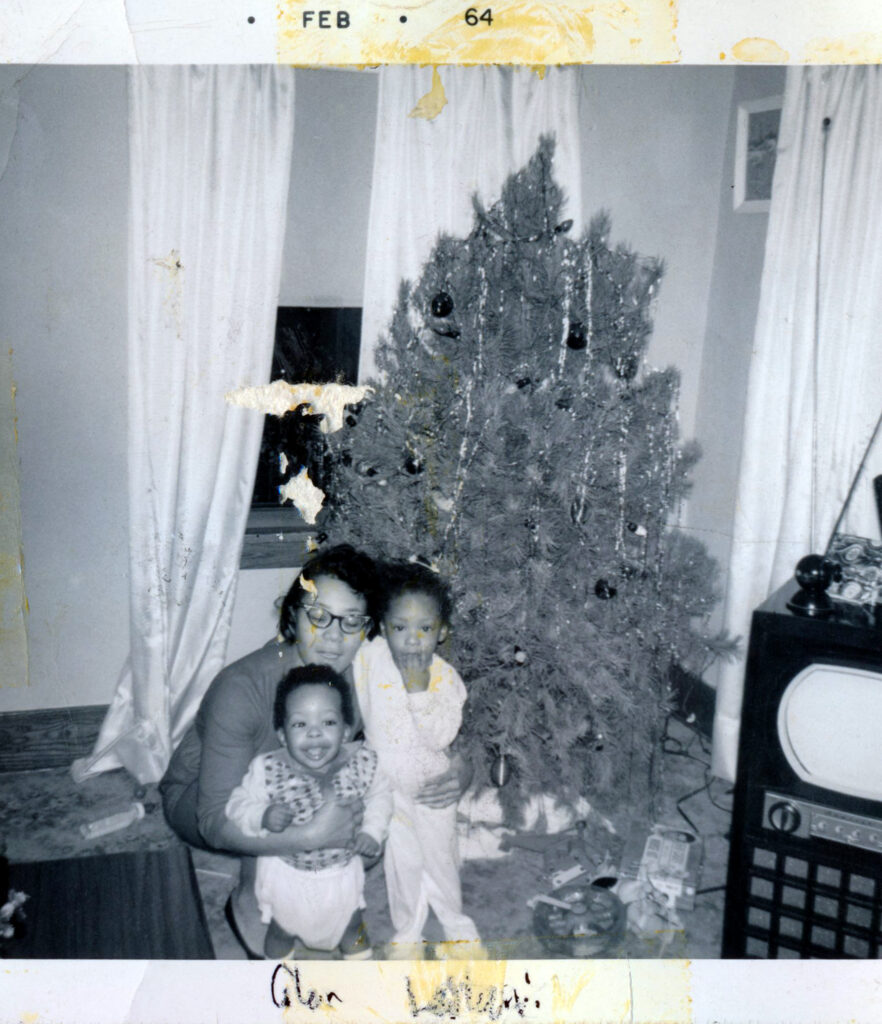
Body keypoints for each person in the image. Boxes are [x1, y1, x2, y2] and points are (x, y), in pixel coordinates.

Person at [159, 543, 466, 958]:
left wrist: (464, 765)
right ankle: (251, 896)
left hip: (306, 777)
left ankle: (319, 894)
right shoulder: (241, 688)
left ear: (367, 628)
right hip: (203, 797)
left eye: (351, 621)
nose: (333, 637)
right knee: (298, 821)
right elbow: (213, 819)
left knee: (368, 830)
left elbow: (427, 715)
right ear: (292, 615)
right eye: (318, 616)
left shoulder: (366, 669)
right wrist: (311, 835)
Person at [353, 560, 483, 958]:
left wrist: (418, 691)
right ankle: (407, 932)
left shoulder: (445, 678)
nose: (411, 640)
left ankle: (458, 929)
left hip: (431, 787)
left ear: (442, 632)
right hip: (387, 788)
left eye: (424, 629)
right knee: (402, 863)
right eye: (399, 628)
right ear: (383, 627)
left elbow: (442, 735)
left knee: (440, 859)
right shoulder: (371, 658)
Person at [225, 665, 392, 959]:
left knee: (353, 927)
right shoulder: (268, 769)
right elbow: (236, 805)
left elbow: (381, 796)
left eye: (328, 722)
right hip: (288, 876)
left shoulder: (362, 763)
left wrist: (372, 830)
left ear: (345, 731)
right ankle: (277, 976)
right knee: (280, 930)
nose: (314, 734)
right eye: (300, 725)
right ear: (282, 734)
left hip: (341, 873)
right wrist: (261, 814)